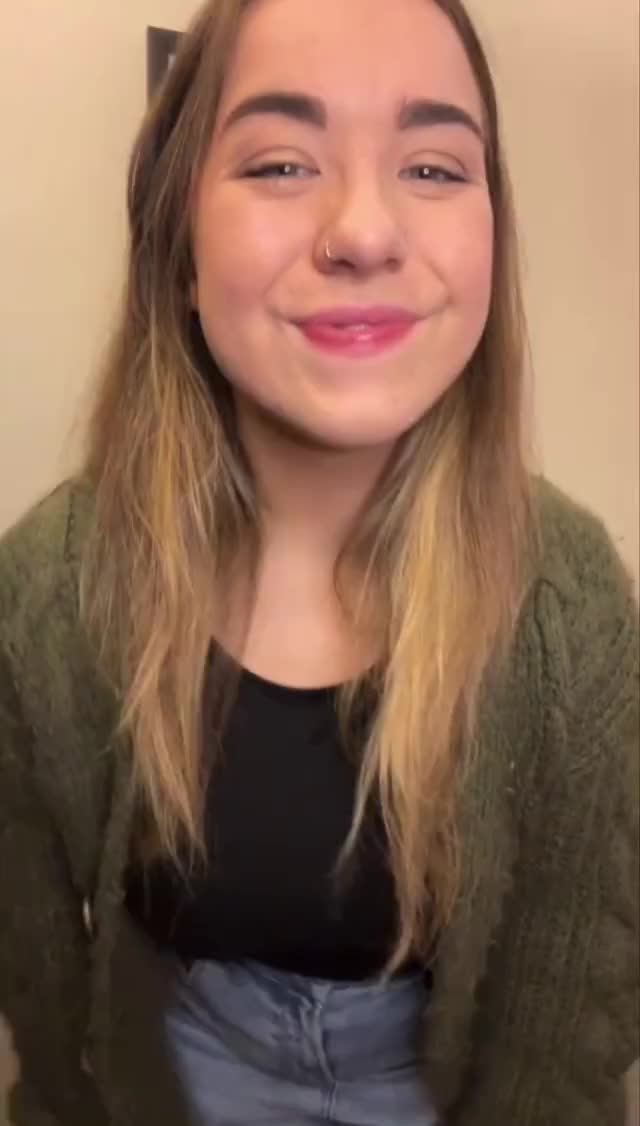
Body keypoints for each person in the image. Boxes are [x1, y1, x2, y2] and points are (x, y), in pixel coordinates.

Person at [0, 0, 638, 1123]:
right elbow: (51, 1023)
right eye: (283, 163)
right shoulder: (48, 590)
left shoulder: (571, 607)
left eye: (433, 168)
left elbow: (561, 1050)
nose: (364, 231)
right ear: (179, 247)